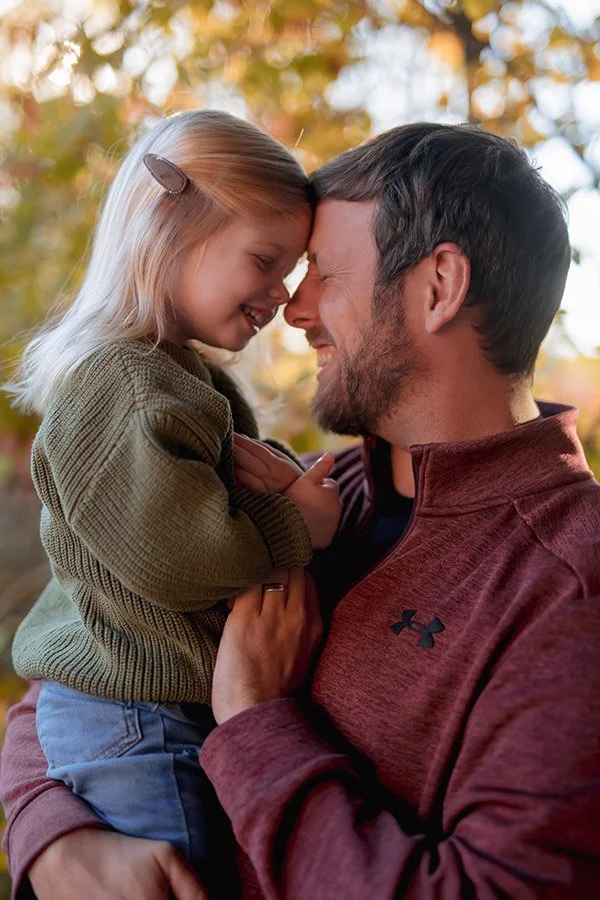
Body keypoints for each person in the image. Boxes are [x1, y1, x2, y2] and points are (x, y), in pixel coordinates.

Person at [3, 122, 600, 899]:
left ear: (439, 287)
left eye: (323, 271)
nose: (296, 308)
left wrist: (254, 719)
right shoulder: (316, 492)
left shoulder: (569, 584)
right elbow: (87, 647)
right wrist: (55, 835)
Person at [3, 109, 341, 896]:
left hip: (150, 707)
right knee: (178, 876)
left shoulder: (179, 376)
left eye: (292, 267)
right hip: (131, 716)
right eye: (264, 260)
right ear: (168, 232)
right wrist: (299, 522)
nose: (282, 293)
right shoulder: (125, 381)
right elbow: (179, 558)